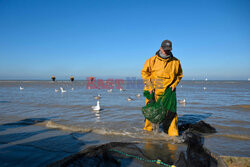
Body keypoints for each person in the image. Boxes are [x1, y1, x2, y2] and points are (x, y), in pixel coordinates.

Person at [141, 40, 183, 136]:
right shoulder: (151, 60)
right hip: (153, 89)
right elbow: (144, 73)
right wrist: (150, 86)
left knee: (171, 113)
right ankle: (147, 134)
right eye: (165, 50)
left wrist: (174, 85)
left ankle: (173, 135)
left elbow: (179, 75)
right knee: (151, 112)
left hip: (168, 91)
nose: (166, 52)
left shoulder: (176, 61)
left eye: (168, 50)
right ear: (160, 48)